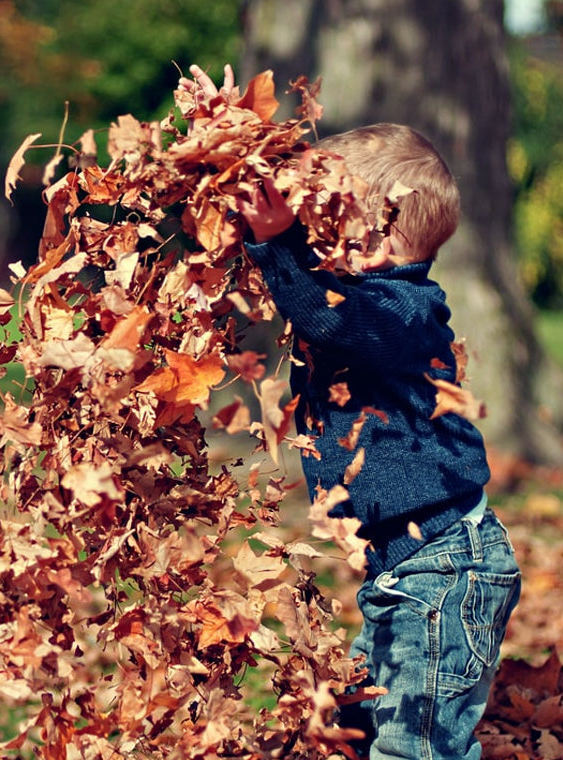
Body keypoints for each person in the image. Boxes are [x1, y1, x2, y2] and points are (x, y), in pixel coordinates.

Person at [181, 66, 523, 759]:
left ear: (376, 234)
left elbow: (326, 318)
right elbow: (316, 298)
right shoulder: (370, 301)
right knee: (357, 723)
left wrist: (275, 245)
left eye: (325, 222)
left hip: (444, 573)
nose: (310, 237)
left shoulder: (403, 311)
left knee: (417, 747)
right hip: (403, 571)